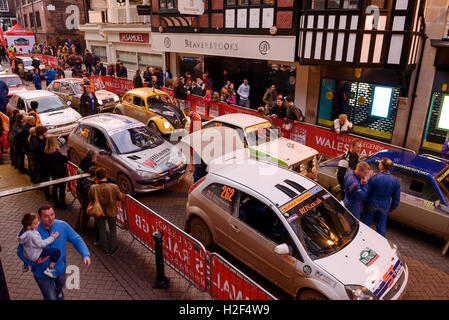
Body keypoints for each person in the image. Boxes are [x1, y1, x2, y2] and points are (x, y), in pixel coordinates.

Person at [17, 205, 91, 300]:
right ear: (39, 218)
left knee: (60, 285)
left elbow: (76, 239)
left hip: (60, 269)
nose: (50, 218)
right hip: (41, 273)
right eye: (46, 216)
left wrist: (85, 254)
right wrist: (32, 263)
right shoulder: (31, 232)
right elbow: (20, 251)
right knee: (51, 298)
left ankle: (59, 291)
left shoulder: (62, 226)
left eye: (52, 214)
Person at [361, 158, 401, 237]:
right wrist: (393, 207)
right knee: (381, 226)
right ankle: (381, 242)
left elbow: (367, 192)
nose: (379, 165)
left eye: (380, 164)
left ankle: (363, 238)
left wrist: (363, 201)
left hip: (371, 204)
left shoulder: (374, 177)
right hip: (384, 206)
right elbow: (396, 198)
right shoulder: (396, 181)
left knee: (366, 223)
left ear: (382, 166)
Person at [88, 168, 123, 255]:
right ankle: (113, 249)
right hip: (111, 212)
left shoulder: (93, 188)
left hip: (98, 212)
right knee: (112, 230)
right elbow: (120, 198)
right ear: (105, 175)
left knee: (102, 230)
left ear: (97, 177)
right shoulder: (113, 187)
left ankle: (106, 249)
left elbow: (90, 199)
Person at [18, 213, 61, 279]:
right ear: (29, 226)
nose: (38, 224)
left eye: (37, 221)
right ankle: (49, 269)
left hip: (27, 253)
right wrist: (53, 237)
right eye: (35, 223)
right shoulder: (32, 235)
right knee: (56, 251)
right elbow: (42, 244)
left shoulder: (23, 232)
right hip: (35, 255)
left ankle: (25, 264)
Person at [75, 151, 97, 233]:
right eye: (95, 157)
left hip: (79, 188)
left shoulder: (83, 162)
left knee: (82, 208)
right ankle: (82, 228)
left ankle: (78, 226)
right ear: (92, 158)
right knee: (85, 211)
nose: (96, 159)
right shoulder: (91, 166)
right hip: (83, 192)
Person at [45, 136, 69, 210]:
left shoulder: (46, 152)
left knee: (55, 187)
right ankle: (62, 204)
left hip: (53, 172)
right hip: (60, 172)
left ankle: (56, 203)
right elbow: (64, 159)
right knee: (62, 189)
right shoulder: (56, 153)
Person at [31, 126, 51, 199]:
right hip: (42, 164)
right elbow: (43, 153)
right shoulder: (37, 144)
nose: (47, 132)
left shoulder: (43, 139)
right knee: (46, 179)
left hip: (45, 163)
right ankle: (47, 194)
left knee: (46, 178)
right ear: (42, 133)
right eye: (45, 131)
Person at [184, 107, 202, 172]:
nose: (186, 115)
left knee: (194, 152)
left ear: (189, 112)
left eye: (186, 114)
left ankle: (195, 166)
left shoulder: (194, 117)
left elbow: (196, 130)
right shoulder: (195, 115)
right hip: (195, 136)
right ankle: (195, 165)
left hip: (195, 137)